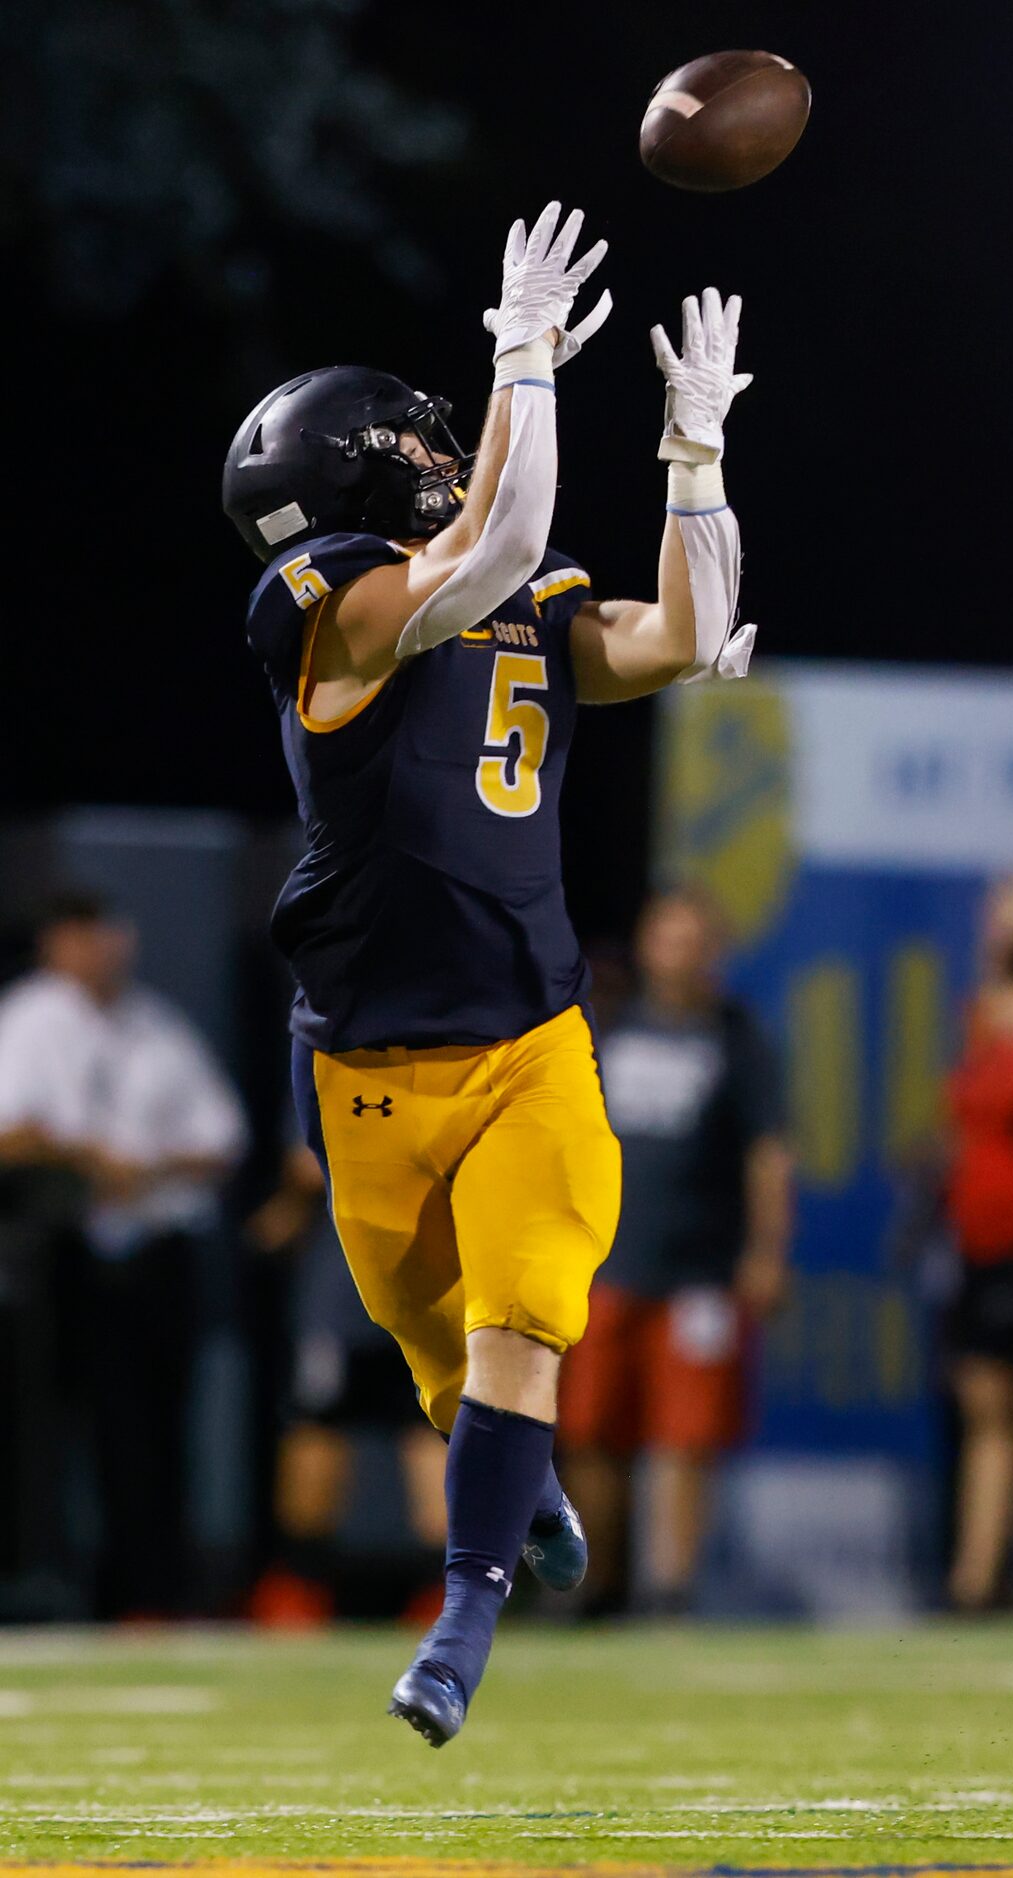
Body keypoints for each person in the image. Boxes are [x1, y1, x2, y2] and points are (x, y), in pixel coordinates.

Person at [223, 201, 757, 1743]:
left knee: (526, 1305)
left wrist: (694, 450)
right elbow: (493, 545)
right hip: (371, 1066)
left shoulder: (496, 573)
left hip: (528, 1027)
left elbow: (688, 633)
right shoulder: (318, 602)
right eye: (412, 438)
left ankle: (463, 1613)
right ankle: (513, 1499)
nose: (439, 447)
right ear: (352, 468)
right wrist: (520, 354)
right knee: (444, 1356)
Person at [0, 889, 248, 1615]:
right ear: (54, 944)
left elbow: (221, 1138)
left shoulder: (155, 1023)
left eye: (107, 932)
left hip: (158, 1251)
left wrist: (147, 1170)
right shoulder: (29, 1020)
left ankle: (152, 1592)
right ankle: (58, 1583)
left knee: (160, 1426)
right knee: (65, 1427)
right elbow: (11, 1132)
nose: (100, 948)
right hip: (63, 1252)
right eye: (81, 935)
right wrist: (88, 1159)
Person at [559, 887, 792, 1613]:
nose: (679, 954)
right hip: (605, 1263)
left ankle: (669, 1587)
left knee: (684, 1436)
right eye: (667, 938)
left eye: (693, 940)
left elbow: (768, 1154)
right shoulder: (607, 1027)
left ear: (713, 951)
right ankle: (594, 1580)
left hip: (700, 1271)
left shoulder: (737, 1037)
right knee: (591, 1427)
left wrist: (766, 1250)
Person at [247, 1141, 447, 1625]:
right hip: (360, 1295)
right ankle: (302, 1589)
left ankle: (444, 1595)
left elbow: (308, 1164)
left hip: (399, 1288)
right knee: (323, 1435)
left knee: (422, 1438)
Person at [944, 877, 1013, 1610]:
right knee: (986, 1409)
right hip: (982, 1240)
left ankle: (980, 1573)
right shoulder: (979, 1014)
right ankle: (976, 1577)